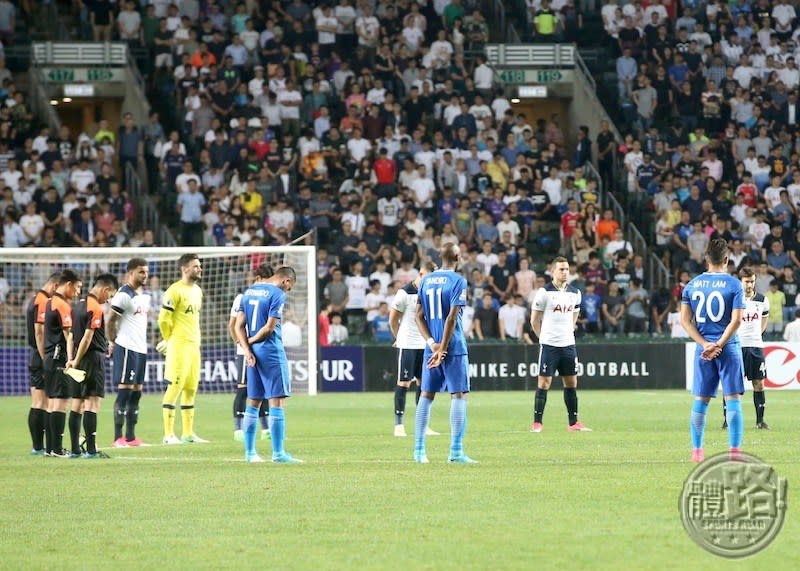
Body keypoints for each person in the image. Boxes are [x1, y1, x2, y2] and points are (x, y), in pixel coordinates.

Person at [681, 238, 746, 462]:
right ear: (727, 259)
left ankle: (697, 452)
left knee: (701, 400)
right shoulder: (734, 285)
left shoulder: (692, 285)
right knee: (733, 399)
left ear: (706, 259)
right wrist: (720, 344)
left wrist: (705, 344)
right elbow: (736, 321)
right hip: (728, 348)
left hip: (703, 350)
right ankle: (734, 453)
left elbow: (685, 321)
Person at [414, 243, 476, 464]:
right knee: (459, 395)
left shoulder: (426, 280)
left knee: (426, 395)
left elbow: (418, 316)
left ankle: (419, 451)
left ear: (440, 256)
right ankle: (456, 452)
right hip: (454, 347)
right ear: (458, 257)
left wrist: (432, 344)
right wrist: (443, 348)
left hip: (430, 348)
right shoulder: (459, 281)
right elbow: (452, 317)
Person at [235, 266, 301, 463]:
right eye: (289, 287)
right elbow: (269, 328)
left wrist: (247, 349)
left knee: (253, 401)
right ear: (286, 281)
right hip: (270, 351)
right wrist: (254, 341)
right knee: (277, 401)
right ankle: (278, 453)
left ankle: (250, 453)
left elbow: (238, 326)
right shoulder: (277, 294)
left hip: (252, 354)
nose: (287, 290)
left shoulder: (249, 291)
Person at [529, 257, 591, 433]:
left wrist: (569, 330)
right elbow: (534, 320)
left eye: (567, 269)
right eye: (561, 269)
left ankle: (573, 423)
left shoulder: (575, 293)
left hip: (568, 345)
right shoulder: (544, 292)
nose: (565, 272)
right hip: (549, 345)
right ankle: (537, 422)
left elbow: (575, 314)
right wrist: (543, 337)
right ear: (552, 271)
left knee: (571, 382)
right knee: (544, 382)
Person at [157, 253, 208, 444]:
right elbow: (163, 319)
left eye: (199, 265)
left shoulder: (197, 291)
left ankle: (188, 433)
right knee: (175, 386)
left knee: (191, 388)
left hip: (194, 345)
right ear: (184, 269)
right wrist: (168, 339)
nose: (199, 269)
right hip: (179, 345)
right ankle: (168, 434)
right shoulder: (174, 291)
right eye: (196, 266)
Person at [67, 274, 118, 459]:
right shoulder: (95, 307)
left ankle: (74, 450)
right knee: (93, 403)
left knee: (77, 403)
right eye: (110, 295)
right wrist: (78, 359)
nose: (109, 299)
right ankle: (90, 450)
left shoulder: (78, 305)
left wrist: (71, 359)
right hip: (91, 359)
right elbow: (87, 338)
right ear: (105, 289)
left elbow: (72, 336)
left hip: (77, 359)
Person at [388, 261, 439, 437]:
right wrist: (398, 338)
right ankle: (399, 425)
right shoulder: (405, 292)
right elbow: (393, 319)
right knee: (404, 382)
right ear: (422, 275)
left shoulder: (430, 292)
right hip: (408, 344)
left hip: (425, 344)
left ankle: (423, 425)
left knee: (424, 385)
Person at [108, 258, 151, 448]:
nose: (145, 275)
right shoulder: (123, 295)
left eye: (146, 272)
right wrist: (112, 342)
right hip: (126, 348)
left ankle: (131, 437)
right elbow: (110, 321)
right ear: (131, 273)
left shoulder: (144, 295)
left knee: (136, 394)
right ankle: (118, 438)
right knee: (124, 393)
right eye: (141, 272)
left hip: (141, 349)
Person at [722, 268, 770, 430]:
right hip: (736, 346)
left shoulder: (763, 300)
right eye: (746, 281)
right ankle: (727, 421)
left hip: (755, 346)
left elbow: (764, 321)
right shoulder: (733, 299)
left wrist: (756, 335)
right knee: (732, 384)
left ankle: (760, 421)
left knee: (759, 383)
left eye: (752, 281)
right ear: (740, 281)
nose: (749, 284)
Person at [229, 265, 273, 442]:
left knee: (263, 389)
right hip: (244, 351)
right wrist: (240, 344)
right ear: (258, 279)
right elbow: (233, 325)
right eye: (266, 281)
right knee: (243, 388)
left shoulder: (269, 297)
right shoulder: (242, 297)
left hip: (261, 348)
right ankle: (238, 429)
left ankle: (266, 429)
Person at [43, 269, 83, 457]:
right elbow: (69, 336)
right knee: (61, 404)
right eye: (77, 288)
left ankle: (51, 448)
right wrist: (72, 359)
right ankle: (58, 449)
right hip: (60, 360)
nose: (78, 292)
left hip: (50, 358)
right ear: (68, 285)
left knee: (52, 404)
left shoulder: (49, 301)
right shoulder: (62, 305)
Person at [25, 272, 60, 455]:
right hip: (41, 356)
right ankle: (42, 447)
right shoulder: (42, 302)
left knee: (39, 402)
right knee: (43, 403)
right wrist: (45, 357)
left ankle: (39, 447)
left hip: (35, 356)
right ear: (55, 286)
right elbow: (39, 334)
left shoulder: (35, 299)